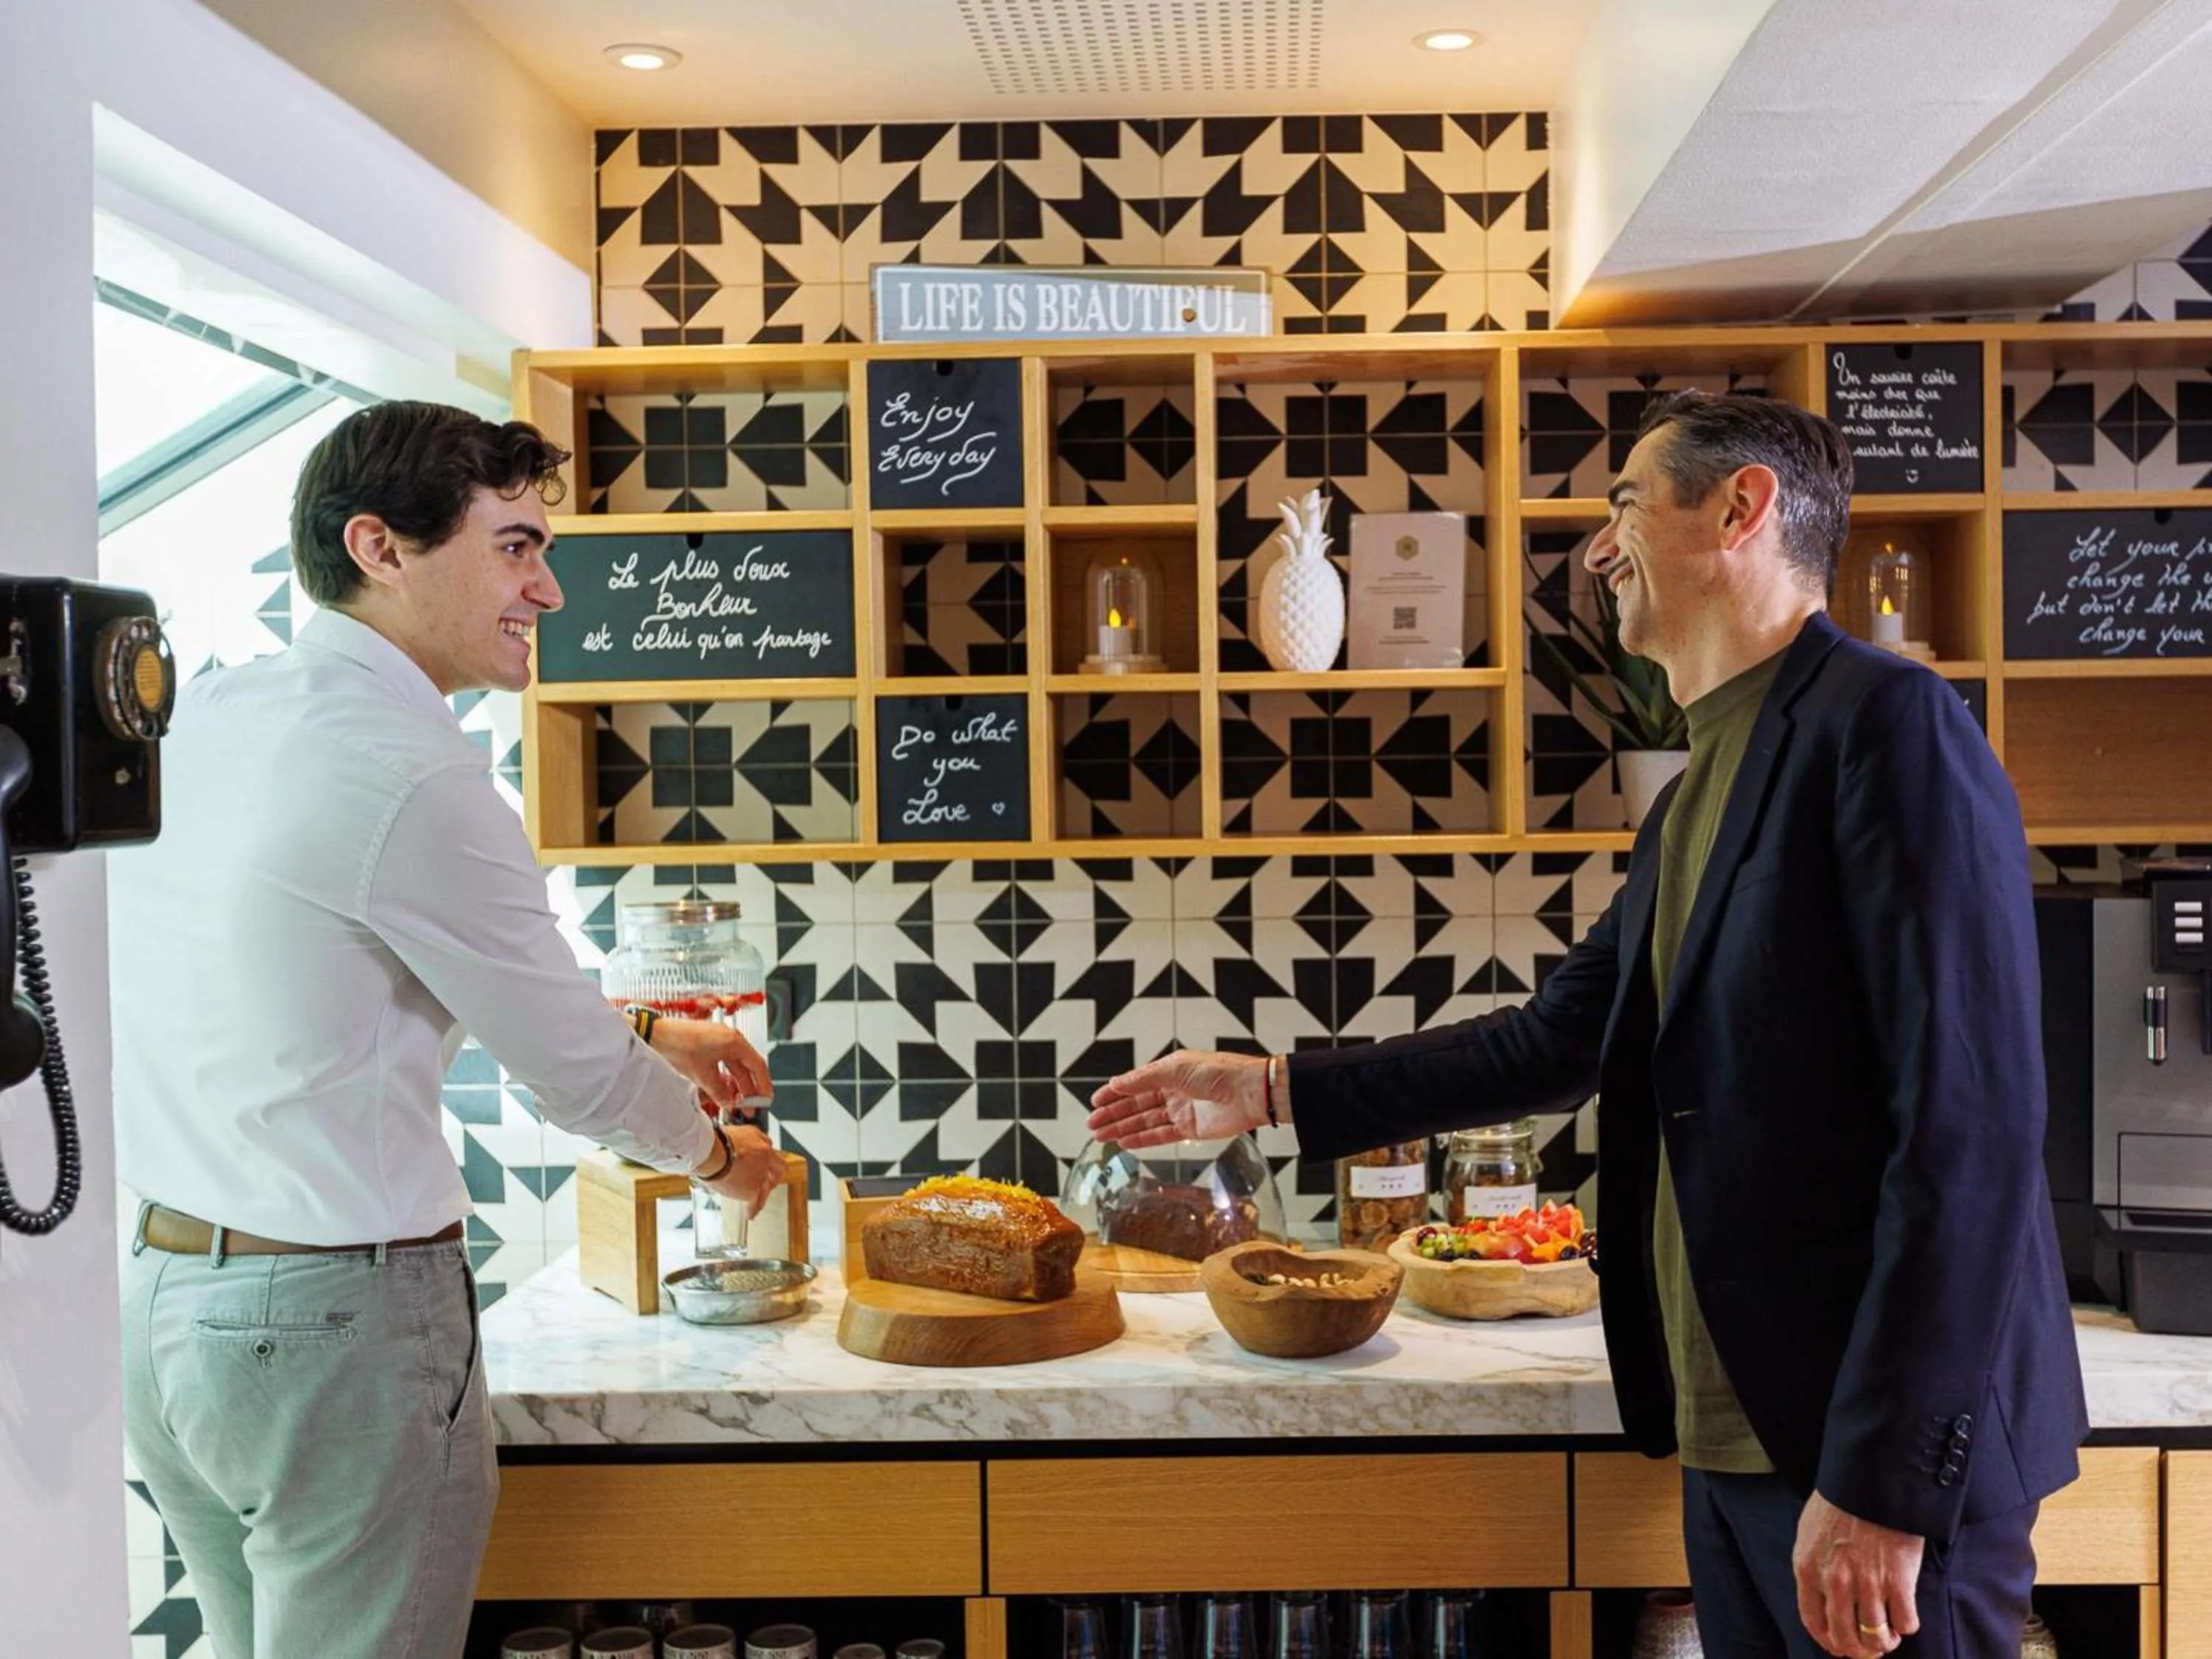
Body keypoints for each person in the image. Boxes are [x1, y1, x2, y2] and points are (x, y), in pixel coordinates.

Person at [1090, 392, 2087, 1659]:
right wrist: (1270, 1087)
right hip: (1739, 1442)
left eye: (1626, 505)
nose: (1602, 548)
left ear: (1741, 508)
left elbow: (1971, 1125)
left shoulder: (1886, 723)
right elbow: (1551, 1040)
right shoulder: (1693, 792)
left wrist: (1884, 1486)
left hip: (1863, 1466)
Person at [110, 402, 785, 1658]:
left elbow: (330, 984)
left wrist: (650, 1023)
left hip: (168, 1308)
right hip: (333, 1328)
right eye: (515, 546)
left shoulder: (207, 715)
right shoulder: (414, 771)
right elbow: (577, 1080)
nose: (549, 589)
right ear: (380, 546)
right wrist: (718, 1160)